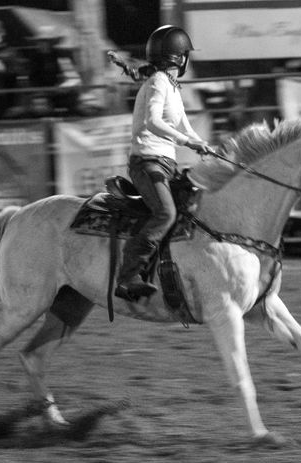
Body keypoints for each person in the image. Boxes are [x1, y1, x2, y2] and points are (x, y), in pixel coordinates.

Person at [112, 25, 211, 302]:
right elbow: (152, 122)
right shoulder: (158, 82)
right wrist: (187, 142)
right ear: (180, 58)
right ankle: (128, 276)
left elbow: (185, 128)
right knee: (165, 214)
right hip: (147, 162)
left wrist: (203, 145)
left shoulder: (170, 86)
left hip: (164, 163)